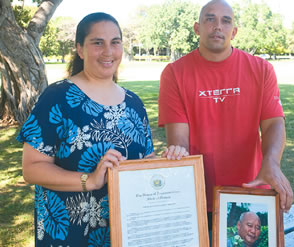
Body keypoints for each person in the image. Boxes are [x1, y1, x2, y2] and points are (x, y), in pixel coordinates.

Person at [17, 12, 186, 246]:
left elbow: (146, 159)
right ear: (80, 49)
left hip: (126, 230)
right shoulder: (58, 98)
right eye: (98, 43)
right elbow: (31, 169)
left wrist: (170, 164)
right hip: (70, 233)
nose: (108, 51)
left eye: (115, 42)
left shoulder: (134, 104)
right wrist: (91, 180)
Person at [158, 0, 294, 233]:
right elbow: (178, 140)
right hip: (198, 196)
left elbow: (273, 123)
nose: (217, 26)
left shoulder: (262, 69)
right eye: (209, 19)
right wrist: (176, 152)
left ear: (235, 31)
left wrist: (271, 161)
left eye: (226, 20)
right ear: (197, 28)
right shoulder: (174, 73)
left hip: (252, 192)